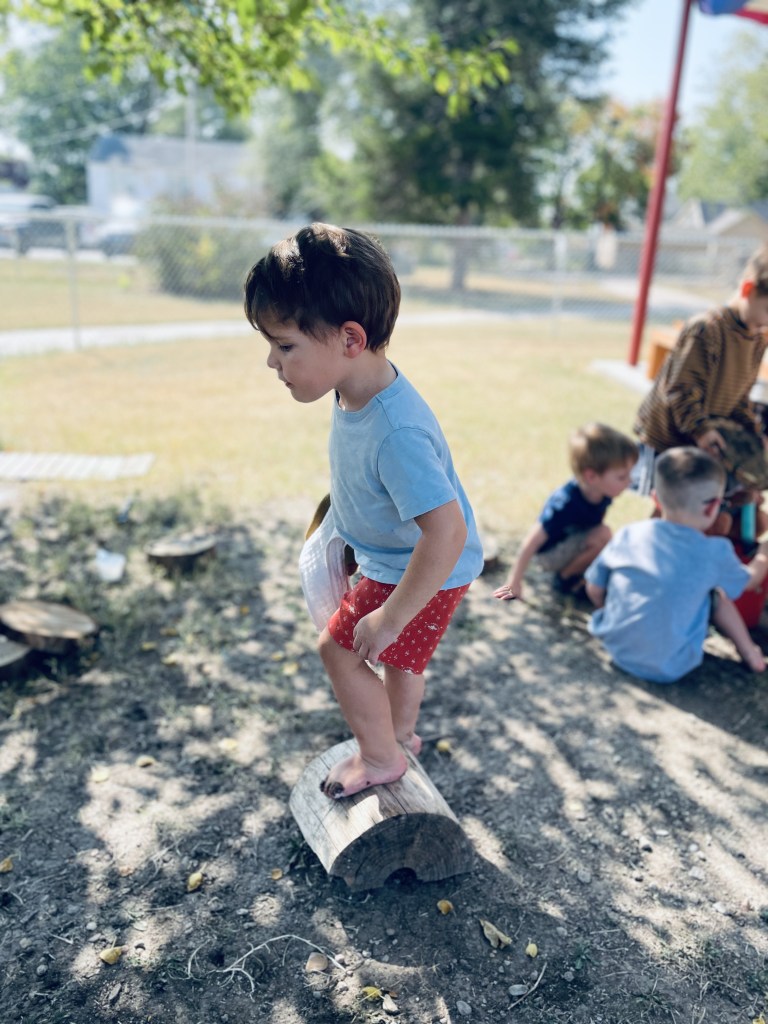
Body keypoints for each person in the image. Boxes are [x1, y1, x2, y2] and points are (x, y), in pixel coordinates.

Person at [243, 223, 484, 800]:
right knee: (401, 661)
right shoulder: (356, 388)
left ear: (350, 339)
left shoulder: (396, 432)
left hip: (419, 567)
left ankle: (380, 758)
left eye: (285, 346)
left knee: (339, 650)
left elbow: (445, 531)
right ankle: (397, 736)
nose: (272, 362)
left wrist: (393, 615)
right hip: (406, 559)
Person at [585, 447, 768, 684]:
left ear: (655, 499)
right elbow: (750, 581)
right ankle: (751, 654)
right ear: (712, 507)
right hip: (671, 665)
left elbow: (594, 588)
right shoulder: (714, 551)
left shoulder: (630, 534)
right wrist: (763, 553)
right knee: (716, 597)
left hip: (616, 650)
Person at [633, 245, 768, 515]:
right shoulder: (706, 329)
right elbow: (680, 390)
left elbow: (739, 398)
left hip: (704, 439)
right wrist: (701, 431)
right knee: (672, 511)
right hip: (669, 438)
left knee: (719, 513)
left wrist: (754, 434)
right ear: (748, 290)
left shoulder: (756, 339)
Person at [494, 423, 638, 602]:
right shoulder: (565, 503)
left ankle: (581, 576)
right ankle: (565, 579)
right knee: (603, 535)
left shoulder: (601, 492)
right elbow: (531, 541)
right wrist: (514, 581)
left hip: (573, 542)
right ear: (591, 476)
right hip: (549, 555)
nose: (630, 482)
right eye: (622, 477)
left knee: (606, 539)